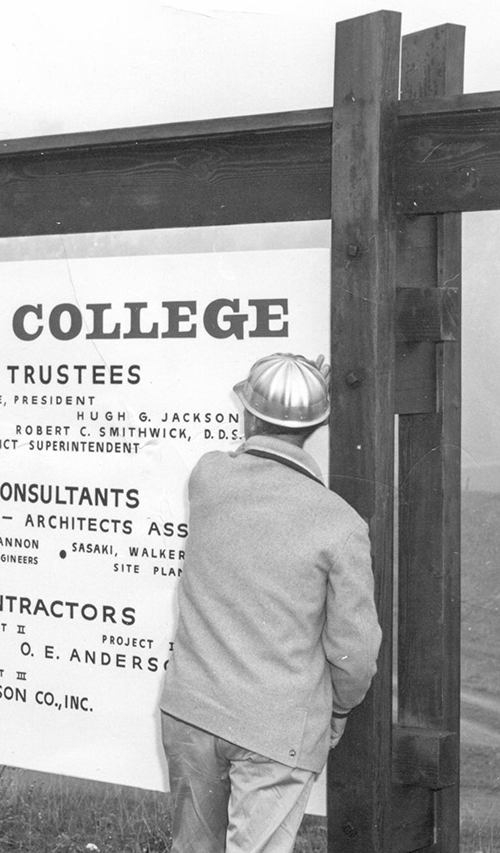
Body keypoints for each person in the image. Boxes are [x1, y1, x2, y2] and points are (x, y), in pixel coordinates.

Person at [159, 352, 382, 853]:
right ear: (320, 424)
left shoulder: (208, 478)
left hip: (192, 712)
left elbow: (248, 452)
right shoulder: (341, 525)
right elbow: (356, 652)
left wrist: (281, 397)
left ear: (249, 415)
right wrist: (339, 710)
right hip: (276, 730)